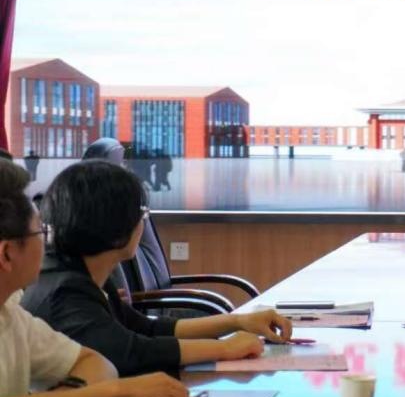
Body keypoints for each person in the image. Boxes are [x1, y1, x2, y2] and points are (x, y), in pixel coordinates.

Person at [23, 161, 293, 376]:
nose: (143, 222)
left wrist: (237, 321)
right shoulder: (65, 293)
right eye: (142, 214)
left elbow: (147, 329)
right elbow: (130, 354)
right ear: (114, 225)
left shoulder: (83, 273)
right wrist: (223, 348)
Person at [0, 160, 187, 397]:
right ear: (7, 254)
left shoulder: (10, 314)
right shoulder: (61, 292)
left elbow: (96, 364)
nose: (48, 244)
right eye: (41, 233)